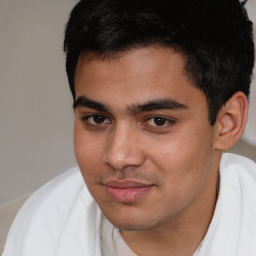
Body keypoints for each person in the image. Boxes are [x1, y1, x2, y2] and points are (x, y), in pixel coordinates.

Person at [2, 0, 256, 255]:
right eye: (97, 119)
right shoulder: (15, 235)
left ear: (227, 123)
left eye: (158, 121)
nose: (118, 157)